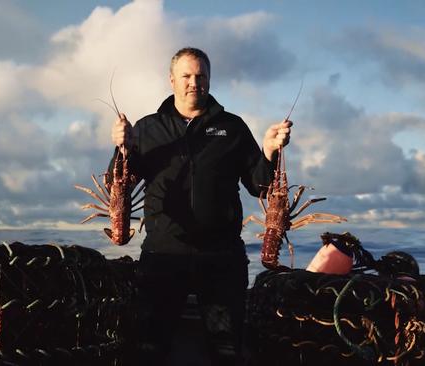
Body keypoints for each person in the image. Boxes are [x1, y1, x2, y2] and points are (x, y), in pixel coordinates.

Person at [109, 47, 292, 365]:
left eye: (201, 75)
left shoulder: (232, 127)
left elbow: (260, 186)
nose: (194, 82)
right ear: (171, 80)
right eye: (186, 76)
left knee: (227, 351)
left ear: (209, 79)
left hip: (222, 259)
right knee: (150, 348)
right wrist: (121, 147)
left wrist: (269, 151)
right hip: (163, 256)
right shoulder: (147, 128)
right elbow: (120, 186)